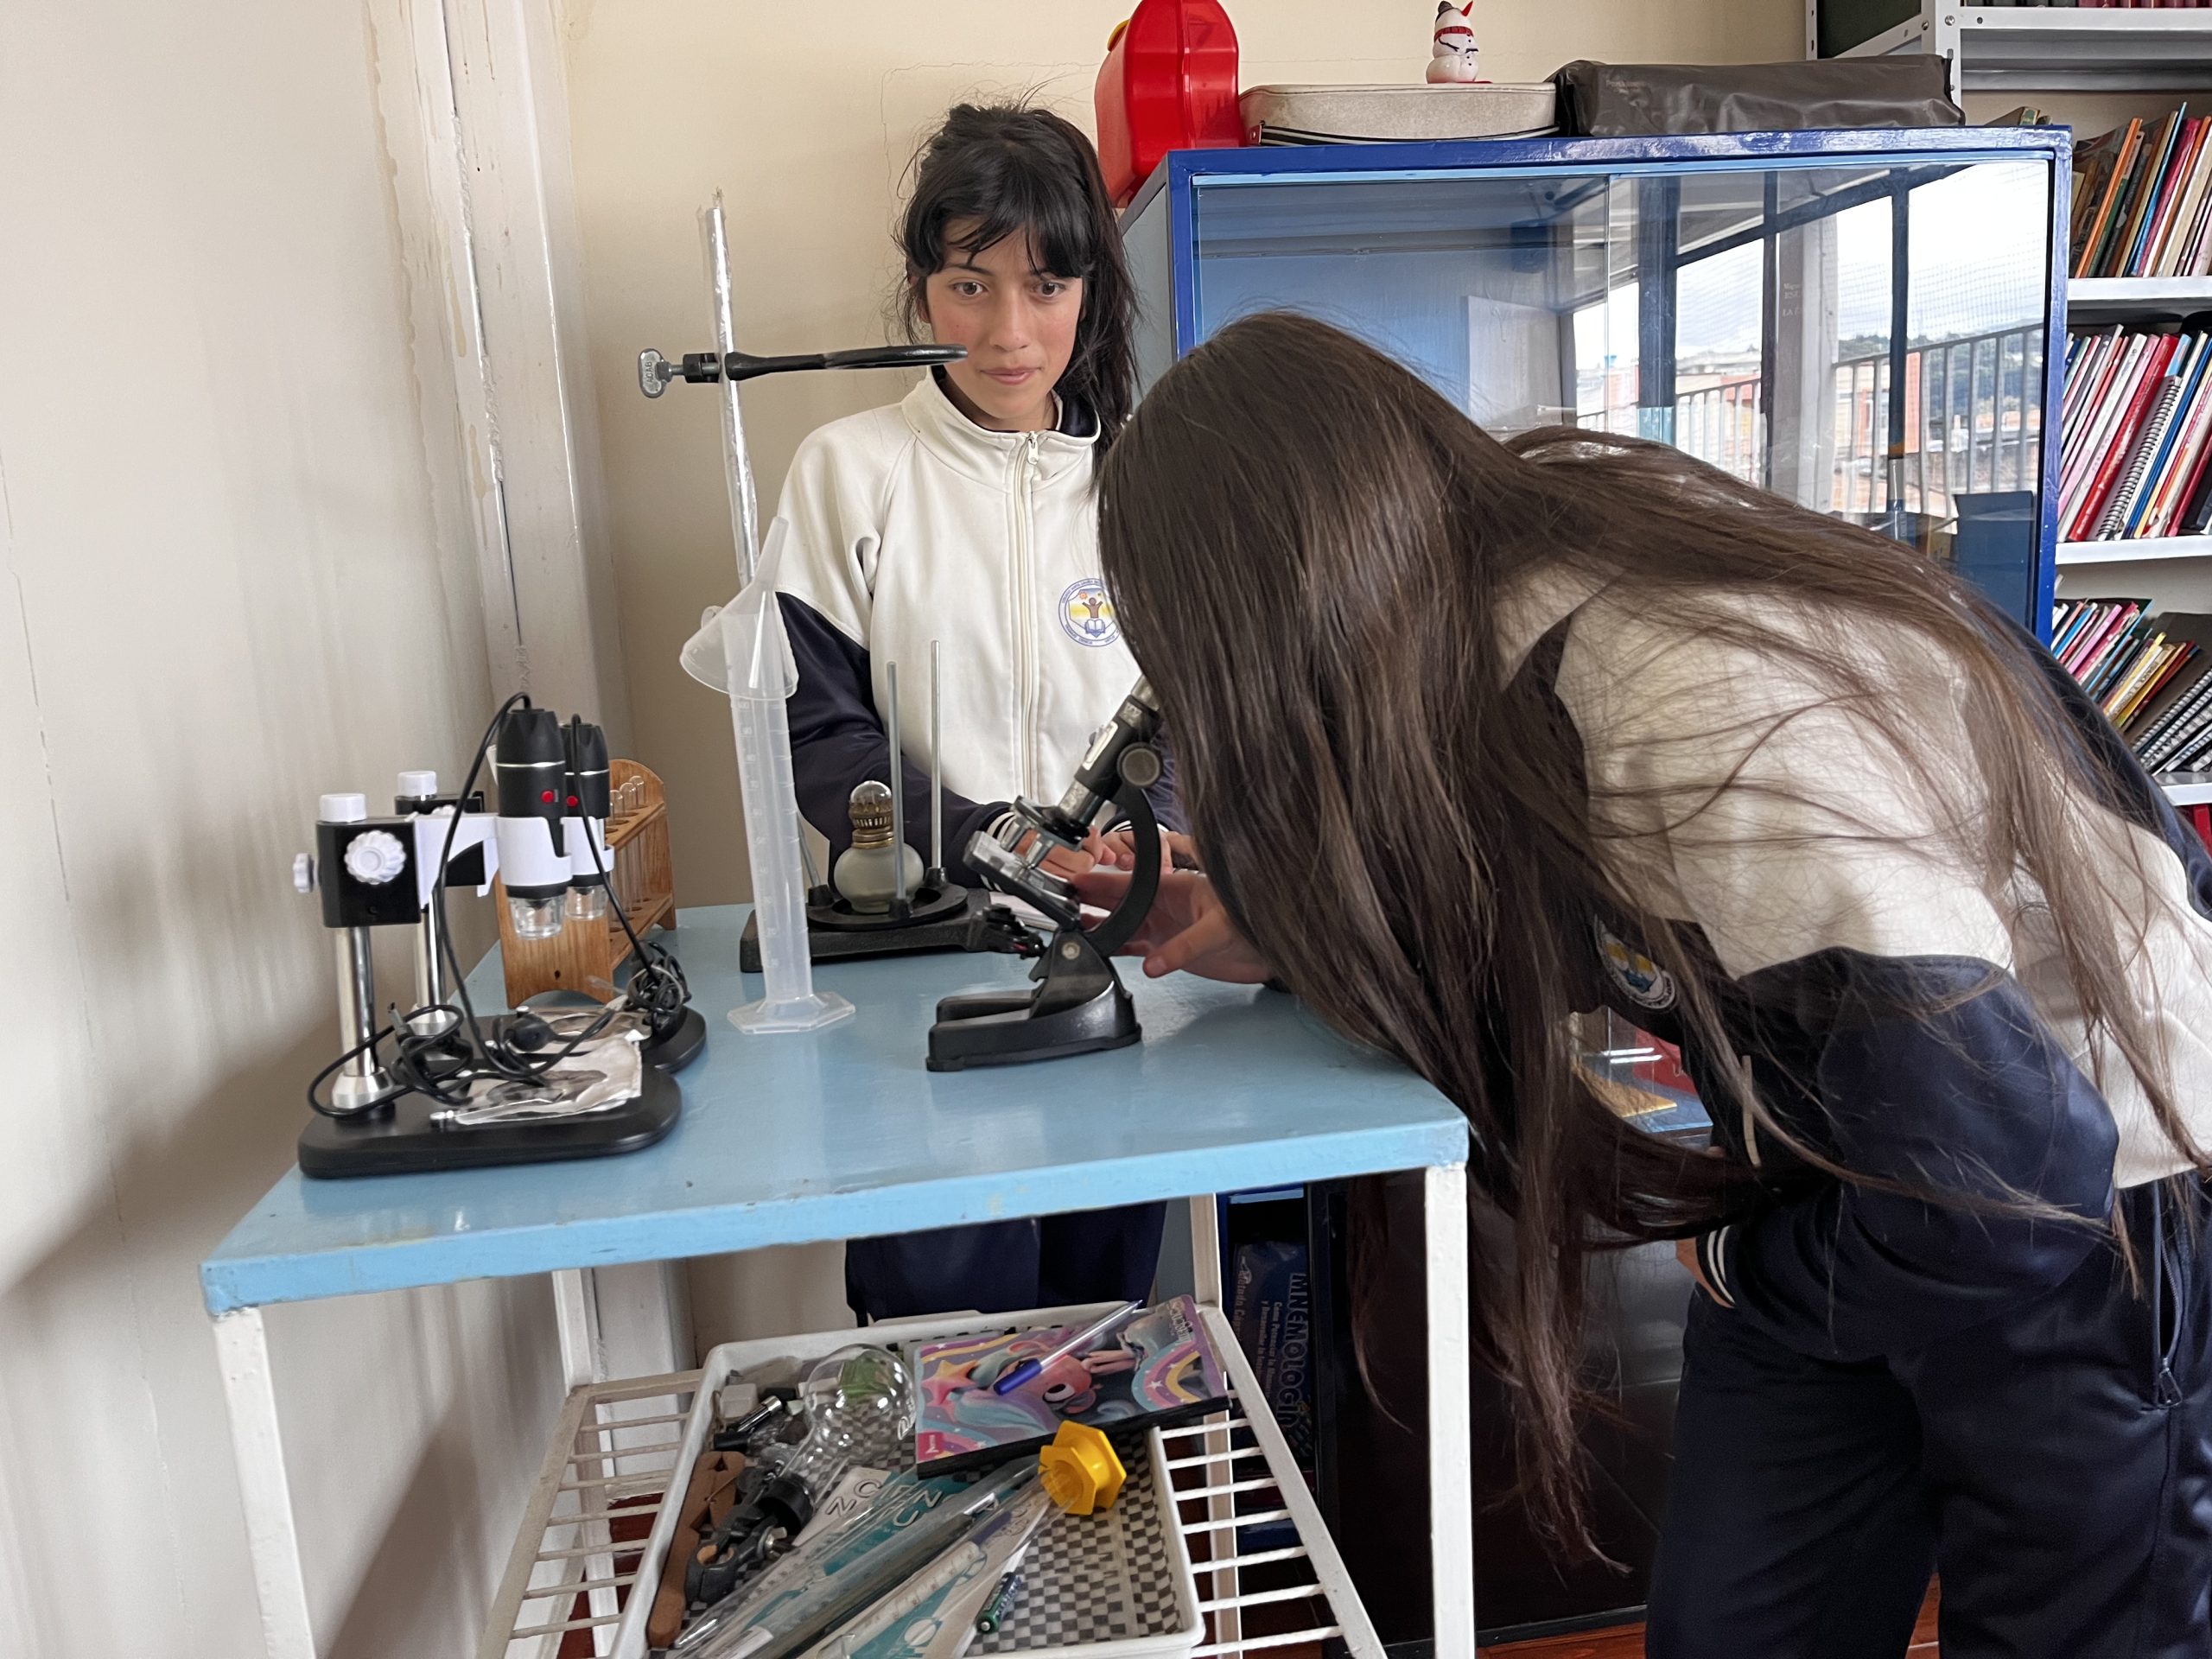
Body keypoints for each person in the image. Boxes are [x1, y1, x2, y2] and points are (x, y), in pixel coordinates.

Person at [1074, 311, 2212, 1658]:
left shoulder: (1688, 698)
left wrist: (1730, 1260)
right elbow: (1588, 912)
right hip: (1853, 1165)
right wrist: (1278, 928)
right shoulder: (1493, 625)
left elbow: (2011, 1185)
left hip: (2085, 1202)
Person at [761, 103, 1171, 1325]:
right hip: (917, 974)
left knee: (1099, 1331)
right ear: (920, 289)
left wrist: (1139, 837)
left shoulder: (1143, 483)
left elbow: (1195, 716)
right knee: (944, 1335)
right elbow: (818, 731)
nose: (1008, 332)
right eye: (968, 285)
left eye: (1047, 287)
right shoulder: (849, 470)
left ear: (1092, 291)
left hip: (1113, 962)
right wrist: (981, 839)